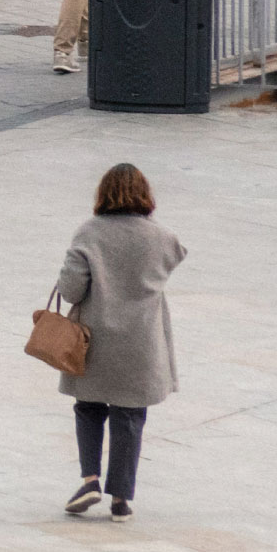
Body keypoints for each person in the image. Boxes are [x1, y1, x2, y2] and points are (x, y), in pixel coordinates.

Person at [55, 163, 186, 524]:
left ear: (103, 193)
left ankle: (90, 480)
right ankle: (121, 498)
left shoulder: (89, 233)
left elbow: (71, 291)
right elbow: (174, 257)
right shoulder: (163, 238)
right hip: (141, 342)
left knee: (88, 406)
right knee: (130, 415)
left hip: (93, 340)